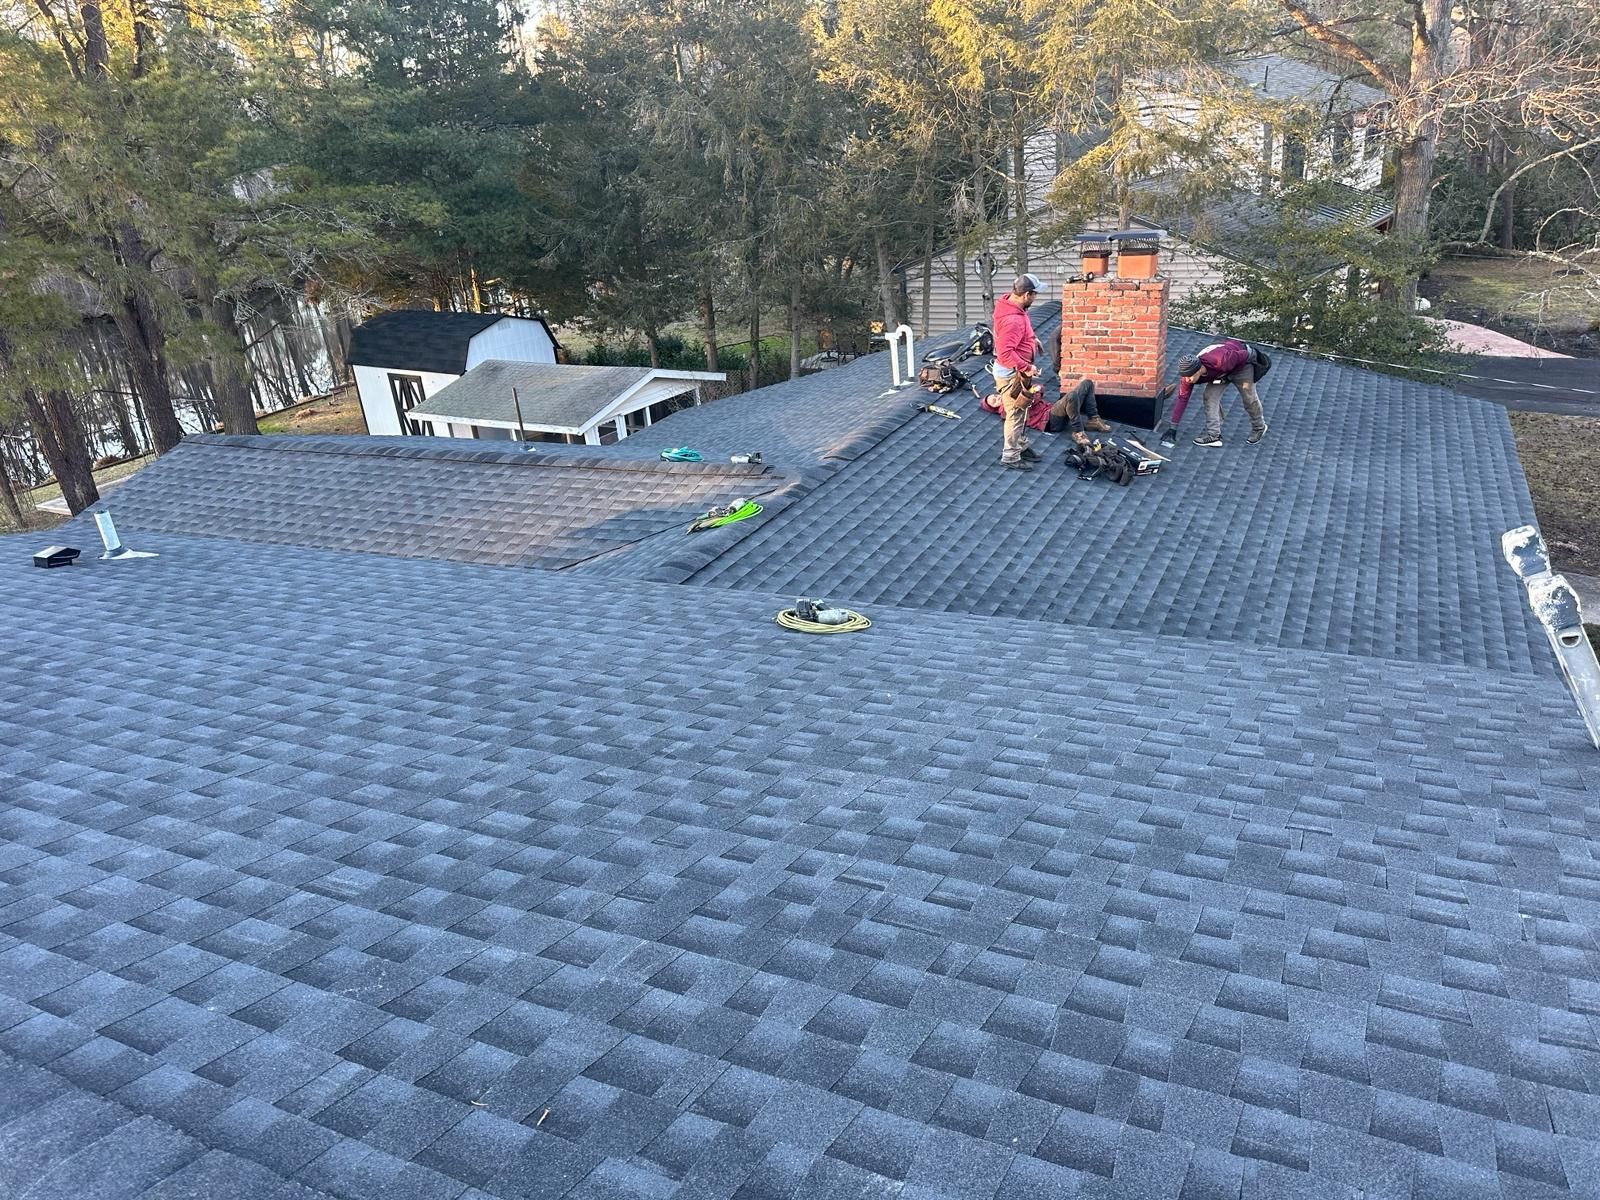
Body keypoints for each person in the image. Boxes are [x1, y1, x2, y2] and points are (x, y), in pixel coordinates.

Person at [980, 326, 1114, 444]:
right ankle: (1078, 432)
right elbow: (1028, 402)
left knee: (1087, 384)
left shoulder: (1010, 396)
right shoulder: (1005, 410)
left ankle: (1094, 419)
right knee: (1071, 396)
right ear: (993, 408)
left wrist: (1035, 389)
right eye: (993, 401)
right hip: (1050, 421)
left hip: (1053, 411)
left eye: (995, 396)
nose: (997, 398)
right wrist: (1035, 391)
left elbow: (1040, 389)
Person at [1158, 337, 1268, 447]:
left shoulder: (1221, 360)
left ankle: (1259, 427)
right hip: (1220, 373)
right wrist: (1173, 428)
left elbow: (1245, 354)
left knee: (1249, 398)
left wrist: (1235, 371)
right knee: (1209, 396)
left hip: (1242, 365)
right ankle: (1214, 435)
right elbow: (1182, 398)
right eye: (1185, 377)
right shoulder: (1187, 377)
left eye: (1190, 376)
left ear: (1199, 369)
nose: (1187, 380)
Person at [991, 273, 1044, 471]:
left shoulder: (1011, 304)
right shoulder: (1013, 319)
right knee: (1015, 413)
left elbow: (1017, 334)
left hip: (1017, 372)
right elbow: (1005, 353)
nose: (1036, 298)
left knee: (1023, 408)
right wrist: (1027, 367)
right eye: (1035, 294)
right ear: (1026, 294)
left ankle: (1020, 445)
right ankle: (1011, 456)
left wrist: (1032, 339)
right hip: (1011, 375)